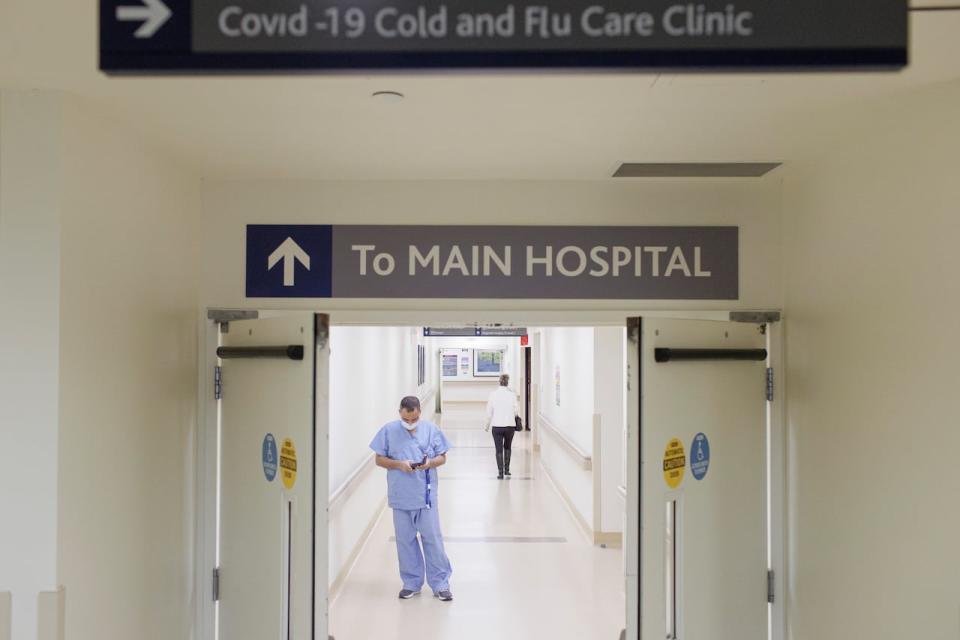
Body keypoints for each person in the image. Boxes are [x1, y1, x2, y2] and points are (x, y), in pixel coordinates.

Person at [370, 396, 454, 602]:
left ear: (419, 412)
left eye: (414, 419)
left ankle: (440, 583)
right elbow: (378, 459)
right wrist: (399, 464)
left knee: (432, 540)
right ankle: (411, 582)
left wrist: (429, 463)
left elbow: (443, 457)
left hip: (425, 496)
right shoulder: (389, 431)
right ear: (400, 412)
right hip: (401, 496)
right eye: (406, 419)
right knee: (405, 541)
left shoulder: (431, 430)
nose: (410, 423)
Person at [485, 374, 518, 479]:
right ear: (507, 382)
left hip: (497, 426)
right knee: (508, 447)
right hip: (510, 426)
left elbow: (489, 412)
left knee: (498, 449)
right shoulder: (512, 395)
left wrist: (487, 425)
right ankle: (507, 470)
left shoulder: (493, 394)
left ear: (499, 382)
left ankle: (500, 473)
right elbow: (516, 411)